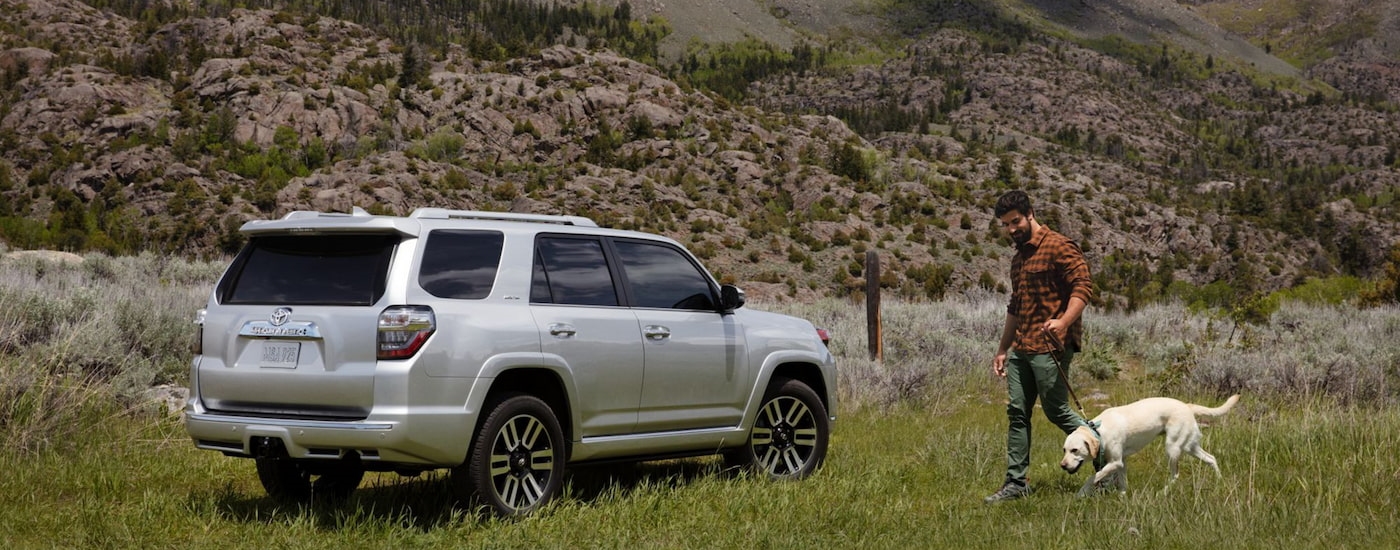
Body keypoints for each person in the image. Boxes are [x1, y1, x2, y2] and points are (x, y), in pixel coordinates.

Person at [984, 190, 1095, 503]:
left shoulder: (1059, 246)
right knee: (1017, 413)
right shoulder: (1018, 258)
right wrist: (1003, 349)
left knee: (1056, 410)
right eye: (1005, 225)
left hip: (1051, 346)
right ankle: (1016, 484)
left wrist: (1063, 322)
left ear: (1029, 213)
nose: (1011, 230)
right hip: (1021, 346)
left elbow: (1082, 288)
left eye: (1015, 222)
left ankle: (1106, 461)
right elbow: (1015, 307)